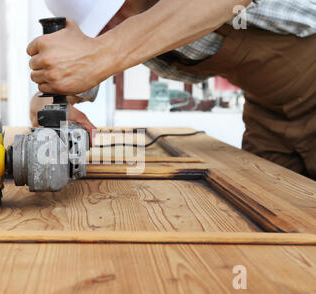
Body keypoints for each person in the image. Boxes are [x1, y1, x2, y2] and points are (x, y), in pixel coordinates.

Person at [27, 0, 316, 179]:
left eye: (113, 15)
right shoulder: (124, 35)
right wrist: (50, 101)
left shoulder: (140, 31)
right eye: (101, 28)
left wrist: (103, 54)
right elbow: (82, 74)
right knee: (275, 216)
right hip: (268, 113)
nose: (111, 30)